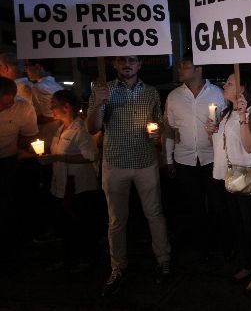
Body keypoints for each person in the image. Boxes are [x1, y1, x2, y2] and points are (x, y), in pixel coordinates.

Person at [86, 55, 171, 297]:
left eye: (132, 60)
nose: (127, 64)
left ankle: (163, 260)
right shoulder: (104, 90)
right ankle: (117, 267)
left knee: (154, 213)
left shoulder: (151, 92)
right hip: (115, 163)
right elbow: (92, 128)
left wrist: (157, 135)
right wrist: (99, 104)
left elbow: (159, 124)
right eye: (122, 60)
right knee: (116, 219)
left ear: (140, 64)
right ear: (113, 64)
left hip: (145, 161)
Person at [211, 71, 251, 294]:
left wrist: (243, 116)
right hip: (229, 175)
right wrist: (212, 132)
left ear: (242, 89)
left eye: (230, 83)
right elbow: (224, 145)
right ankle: (247, 264)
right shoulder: (226, 112)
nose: (224, 86)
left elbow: (250, 146)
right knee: (238, 224)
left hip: (248, 176)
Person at [163, 52, 226, 258]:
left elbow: (226, 127)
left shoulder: (217, 93)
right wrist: (169, 158)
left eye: (185, 66)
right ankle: (200, 246)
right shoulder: (174, 97)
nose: (180, 70)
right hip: (185, 159)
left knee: (217, 203)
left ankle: (220, 244)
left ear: (199, 69)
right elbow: (170, 129)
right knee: (193, 205)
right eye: (180, 66)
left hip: (212, 158)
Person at [37, 90, 102, 272]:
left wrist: (57, 158)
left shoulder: (80, 129)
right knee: (65, 225)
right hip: (62, 185)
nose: (51, 108)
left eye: (54, 105)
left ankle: (84, 260)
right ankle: (68, 259)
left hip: (78, 186)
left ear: (66, 107)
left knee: (80, 224)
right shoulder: (61, 128)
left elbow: (91, 156)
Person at [0, 77, 38, 259]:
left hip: (8, 160)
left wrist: (24, 152)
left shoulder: (23, 108)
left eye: (7, 104)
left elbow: (28, 135)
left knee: (8, 201)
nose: (3, 108)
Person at [24, 59, 63, 153]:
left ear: (37, 66)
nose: (26, 70)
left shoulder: (39, 86)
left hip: (46, 134)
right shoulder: (57, 85)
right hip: (60, 131)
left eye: (27, 66)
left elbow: (47, 116)